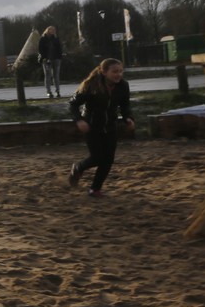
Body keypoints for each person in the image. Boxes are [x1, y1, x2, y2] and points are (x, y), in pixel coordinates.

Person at [68, 58, 135, 198]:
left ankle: (95, 189)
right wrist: (79, 120)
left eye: (120, 71)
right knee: (97, 157)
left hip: (110, 126)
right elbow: (73, 104)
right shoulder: (91, 85)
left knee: (108, 159)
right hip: (92, 126)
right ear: (104, 72)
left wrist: (128, 117)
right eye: (114, 71)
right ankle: (78, 167)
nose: (118, 74)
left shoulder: (123, 86)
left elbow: (125, 105)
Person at [39, 25, 64, 98]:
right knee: (48, 75)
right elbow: (40, 49)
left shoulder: (56, 38)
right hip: (47, 59)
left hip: (56, 58)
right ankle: (48, 91)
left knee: (56, 75)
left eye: (54, 30)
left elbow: (59, 48)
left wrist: (60, 56)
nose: (53, 31)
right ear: (47, 30)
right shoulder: (43, 39)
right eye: (51, 30)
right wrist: (44, 58)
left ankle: (57, 91)